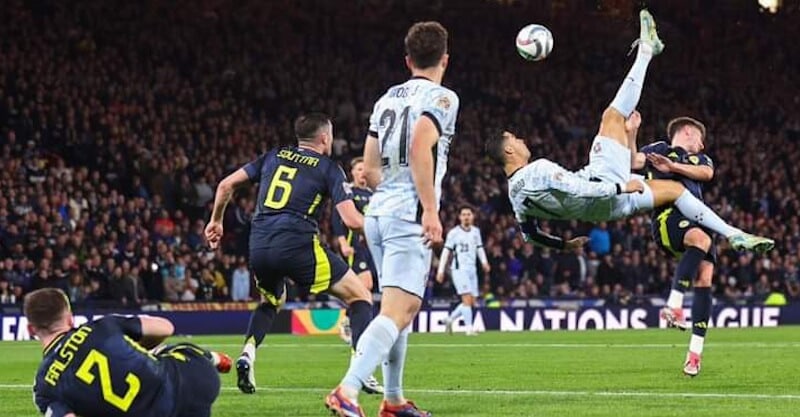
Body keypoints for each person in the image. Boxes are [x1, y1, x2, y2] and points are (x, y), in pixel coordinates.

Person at [484, 10, 774, 255]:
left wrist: (564, 245)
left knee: (674, 191)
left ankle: (734, 234)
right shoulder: (537, 170)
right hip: (604, 186)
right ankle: (647, 50)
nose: (521, 140)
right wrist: (621, 186)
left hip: (607, 210)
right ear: (509, 151)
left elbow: (530, 235)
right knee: (612, 116)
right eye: (515, 139)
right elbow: (578, 189)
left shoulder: (515, 197)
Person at [326, 21, 458, 417]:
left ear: (407, 59)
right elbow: (421, 144)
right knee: (399, 310)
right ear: (445, 60)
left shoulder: (386, 99)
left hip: (378, 213)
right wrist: (430, 210)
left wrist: (394, 189)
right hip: (406, 217)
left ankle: (394, 400)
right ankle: (346, 391)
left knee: (397, 308)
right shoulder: (443, 97)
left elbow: (367, 167)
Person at [204, 113, 373, 394]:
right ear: (324, 138)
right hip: (297, 243)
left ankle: (248, 353)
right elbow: (353, 220)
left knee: (271, 301)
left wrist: (216, 221)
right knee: (360, 297)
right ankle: (361, 371)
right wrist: (389, 229)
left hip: (259, 245)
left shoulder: (274, 156)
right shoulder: (329, 167)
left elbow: (225, 185)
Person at [27, 288, 230, 417]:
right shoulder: (101, 326)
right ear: (70, 319)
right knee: (175, 350)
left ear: (31, 329)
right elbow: (165, 327)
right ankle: (213, 359)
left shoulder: (44, 386)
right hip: (196, 383)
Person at [633, 116, 716, 376]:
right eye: (701, 140)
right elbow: (632, 161)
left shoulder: (701, 160)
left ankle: (694, 354)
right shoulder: (657, 148)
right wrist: (632, 131)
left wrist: (673, 167)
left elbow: (707, 173)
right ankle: (674, 304)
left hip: (698, 219)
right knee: (702, 240)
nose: (702, 146)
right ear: (689, 132)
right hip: (668, 215)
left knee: (705, 278)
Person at [332, 156, 384, 394]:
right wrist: (343, 241)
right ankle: (348, 322)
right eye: (359, 168)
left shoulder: (374, 194)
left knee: (368, 289)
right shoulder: (350, 192)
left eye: (365, 168)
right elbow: (337, 218)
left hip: (374, 248)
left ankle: (352, 322)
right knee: (364, 287)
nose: (363, 172)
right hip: (357, 247)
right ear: (353, 172)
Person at [436, 205, 490, 335]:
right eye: (464, 214)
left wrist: (484, 262)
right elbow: (446, 252)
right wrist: (440, 270)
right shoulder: (454, 233)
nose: (466, 217)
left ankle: (450, 319)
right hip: (459, 270)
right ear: (460, 217)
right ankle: (469, 329)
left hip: (472, 270)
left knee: (472, 301)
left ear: (473, 217)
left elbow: (479, 248)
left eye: (469, 214)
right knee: (466, 298)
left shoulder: (476, 232)